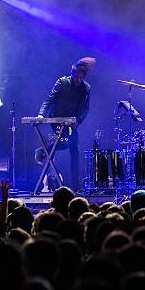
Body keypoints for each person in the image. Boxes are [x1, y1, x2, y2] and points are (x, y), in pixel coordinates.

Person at [35, 57, 94, 191]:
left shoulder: (86, 88)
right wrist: (40, 115)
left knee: (74, 148)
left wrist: (77, 120)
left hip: (71, 122)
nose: (78, 80)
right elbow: (49, 99)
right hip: (56, 119)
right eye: (76, 77)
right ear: (72, 73)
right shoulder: (62, 82)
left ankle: (75, 184)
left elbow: (85, 108)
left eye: (81, 78)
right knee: (65, 142)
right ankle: (44, 150)